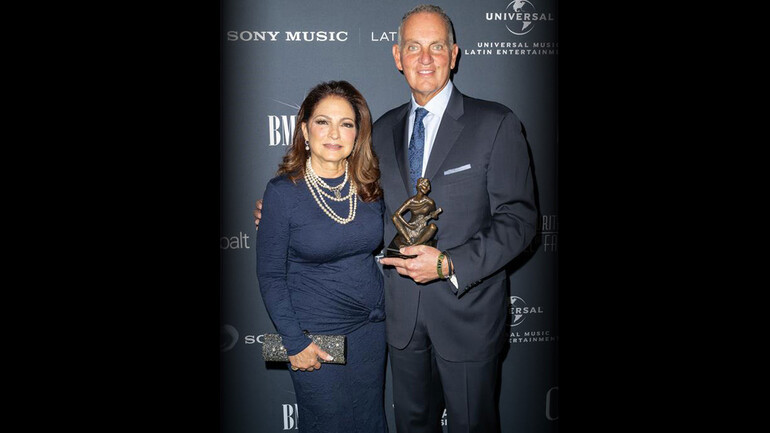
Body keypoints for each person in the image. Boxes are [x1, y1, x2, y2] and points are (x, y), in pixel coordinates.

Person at [255, 5, 537, 433]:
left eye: (436, 46)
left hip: (467, 314)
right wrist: (276, 211)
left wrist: (450, 263)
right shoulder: (381, 132)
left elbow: (519, 219)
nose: (425, 58)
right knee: (410, 425)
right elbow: (341, 194)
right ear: (396, 56)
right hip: (398, 320)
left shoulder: (495, 123)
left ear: (454, 53)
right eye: (413, 47)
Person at [255, 80, 388, 433]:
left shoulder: (368, 185)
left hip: (371, 329)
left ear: (357, 134)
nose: (334, 133)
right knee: (328, 423)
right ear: (304, 129)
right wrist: (294, 342)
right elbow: (270, 275)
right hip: (316, 336)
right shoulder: (282, 192)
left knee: (371, 421)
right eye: (322, 121)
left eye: (346, 123)